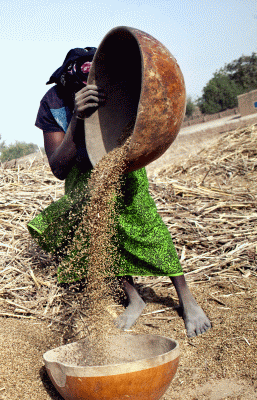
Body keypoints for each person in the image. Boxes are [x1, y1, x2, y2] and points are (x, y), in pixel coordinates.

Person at [28, 47, 211, 338]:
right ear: (66, 78)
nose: (89, 85)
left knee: (147, 226)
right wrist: (77, 117)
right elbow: (58, 167)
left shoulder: (116, 83)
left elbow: (148, 115)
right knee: (101, 234)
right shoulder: (53, 102)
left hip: (122, 164)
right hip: (81, 177)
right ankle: (134, 298)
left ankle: (187, 299)